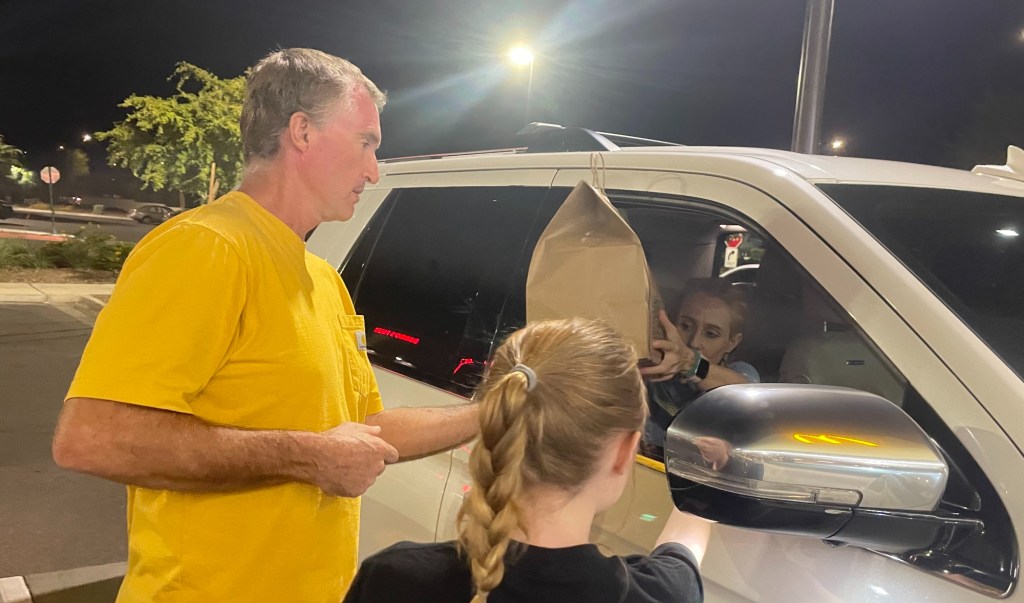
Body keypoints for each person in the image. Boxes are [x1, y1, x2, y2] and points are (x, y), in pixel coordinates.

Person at [51, 48, 479, 603]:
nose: (374, 169)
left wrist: (492, 412)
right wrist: (305, 455)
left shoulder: (322, 278)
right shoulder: (207, 247)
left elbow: (364, 428)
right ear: (301, 131)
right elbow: (92, 438)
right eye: (366, 142)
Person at [343, 318, 710, 603]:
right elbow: (683, 550)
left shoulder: (394, 578)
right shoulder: (662, 595)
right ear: (624, 452)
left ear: (494, 427)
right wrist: (708, 472)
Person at [640, 277, 759, 449]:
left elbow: (745, 395)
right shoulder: (652, 367)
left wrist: (689, 363)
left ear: (732, 342)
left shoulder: (740, 373)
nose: (694, 342)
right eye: (686, 326)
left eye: (710, 334)